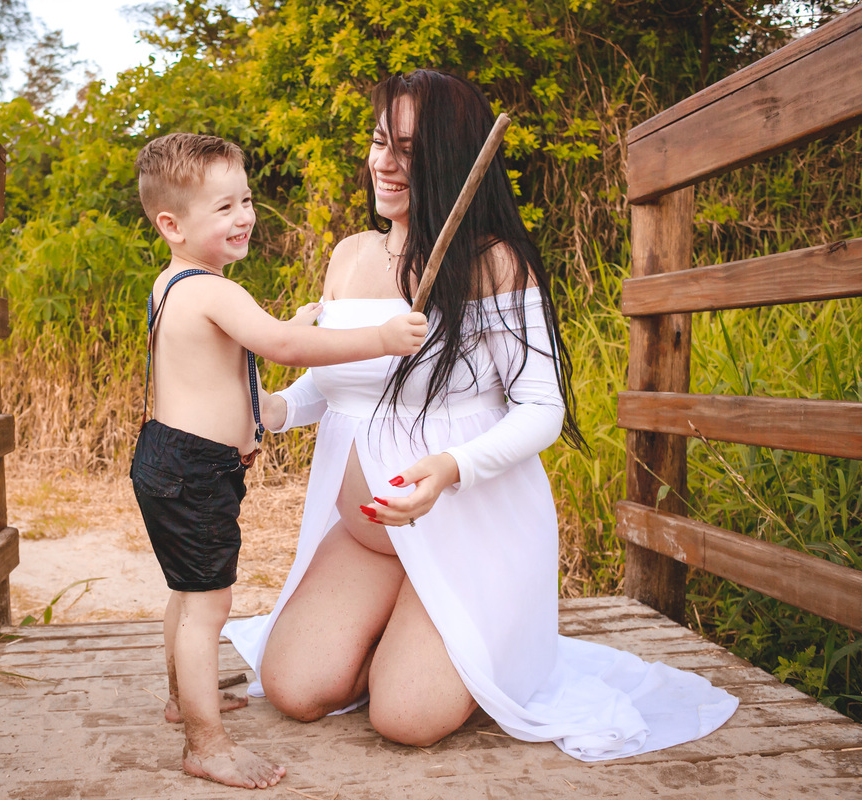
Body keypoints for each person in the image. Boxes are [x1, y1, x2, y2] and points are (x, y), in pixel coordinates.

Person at [224, 70, 738, 760]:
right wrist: (272, 412)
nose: (383, 162)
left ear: (452, 156)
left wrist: (448, 468)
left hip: (468, 533)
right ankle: (395, 615)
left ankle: (444, 626)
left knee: (405, 717)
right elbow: (340, 379)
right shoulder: (350, 255)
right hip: (372, 537)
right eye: (379, 142)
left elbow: (541, 410)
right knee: (294, 687)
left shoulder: (495, 263)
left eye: (408, 148)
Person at [131, 132, 428, 788]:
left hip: (172, 459)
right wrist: (379, 336)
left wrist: (281, 343)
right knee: (208, 604)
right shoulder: (213, 291)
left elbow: (233, 359)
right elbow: (286, 348)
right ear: (172, 225)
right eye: (223, 209)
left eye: (246, 201)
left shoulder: (172, 285)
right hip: (194, 468)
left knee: (187, 592)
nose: (243, 217)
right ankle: (205, 742)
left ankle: (183, 700)